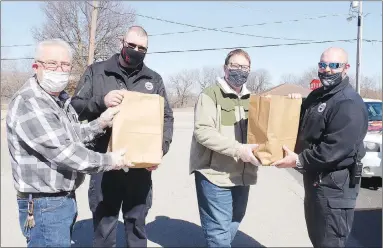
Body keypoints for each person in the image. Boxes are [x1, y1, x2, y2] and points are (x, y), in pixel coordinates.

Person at [6, 39, 130, 248]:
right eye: (52, 64)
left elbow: (70, 134)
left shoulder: (58, 99)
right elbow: (64, 151)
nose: (60, 70)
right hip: (44, 204)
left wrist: (100, 122)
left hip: (60, 201)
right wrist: (110, 160)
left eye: (65, 65)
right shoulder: (31, 102)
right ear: (36, 66)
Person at [71, 26, 174, 247]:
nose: (136, 50)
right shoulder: (97, 72)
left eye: (142, 48)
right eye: (132, 45)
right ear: (122, 42)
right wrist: (101, 101)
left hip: (139, 167)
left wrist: (160, 149)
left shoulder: (153, 79)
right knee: (104, 228)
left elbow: (166, 118)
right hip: (104, 165)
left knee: (137, 228)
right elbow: (75, 107)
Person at [272, 47, 368, 247]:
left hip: (334, 190)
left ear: (346, 68)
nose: (327, 70)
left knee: (330, 242)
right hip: (316, 183)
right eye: (323, 65)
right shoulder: (318, 97)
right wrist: (292, 106)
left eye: (334, 65)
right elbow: (302, 127)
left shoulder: (348, 103)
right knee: (318, 239)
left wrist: (299, 160)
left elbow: (335, 149)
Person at [189, 49, 261, 247]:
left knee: (234, 220)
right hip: (214, 175)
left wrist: (291, 100)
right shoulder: (210, 95)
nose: (240, 71)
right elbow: (203, 131)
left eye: (244, 67)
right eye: (235, 66)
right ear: (225, 68)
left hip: (242, 175)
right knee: (219, 232)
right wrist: (238, 150)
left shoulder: (252, 99)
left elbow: (267, 128)